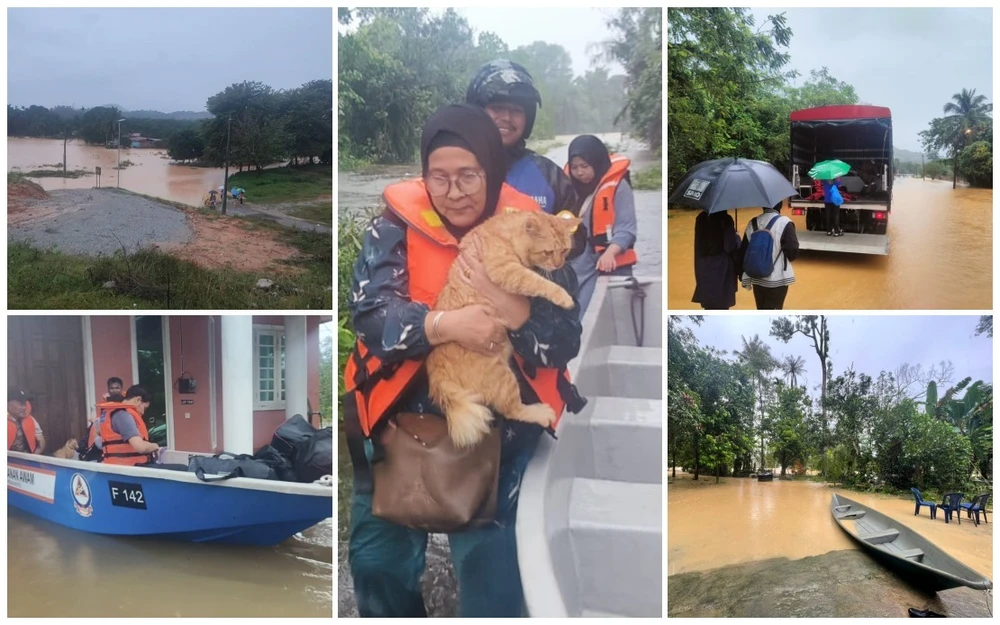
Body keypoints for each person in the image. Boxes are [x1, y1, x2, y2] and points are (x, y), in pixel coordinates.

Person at [344, 104, 583, 618]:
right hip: (394, 423)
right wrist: (444, 325)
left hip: (496, 430)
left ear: (492, 172)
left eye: (469, 176)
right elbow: (368, 315)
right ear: (423, 175)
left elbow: (565, 340)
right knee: (377, 566)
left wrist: (516, 314)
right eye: (439, 177)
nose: (454, 192)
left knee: (492, 577)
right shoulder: (392, 227)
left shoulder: (536, 231)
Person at [465, 60, 577, 217]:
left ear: (528, 119)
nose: (507, 117)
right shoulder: (451, 171)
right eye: (497, 108)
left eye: (516, 111)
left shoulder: (552, 178)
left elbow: (575, 236)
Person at [564, 135, 638, 316]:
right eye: (574, 167)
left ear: (597, 163)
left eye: (585, 166)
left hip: (608, 264)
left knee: (593, 314)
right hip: (578, 265)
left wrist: (610, 253)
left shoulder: (619, 187)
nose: (580, 173)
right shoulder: (566, 186)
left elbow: (627, 228)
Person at [739, 202, 799, 310]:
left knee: (761, 309)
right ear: (780, 206)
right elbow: (792, 251)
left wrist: (741, 273)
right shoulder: (785, 223)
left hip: (756, 278)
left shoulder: (752, 223)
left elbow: (743, 251)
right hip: (777, 280)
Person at [86, 385, 159, 466]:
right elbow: (140, 447)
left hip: (113, 466)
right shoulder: (124, 416)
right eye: (144, 408)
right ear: (138, 400)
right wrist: (155, 446)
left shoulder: (109, 413)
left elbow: (98, 434)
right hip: (129, 469)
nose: (143, 412)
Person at [692, 211, 742, 310]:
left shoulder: (701, 218)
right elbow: (729, 246)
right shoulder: (725, 219)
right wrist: (736, 237)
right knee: (722, 306)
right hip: (722, 270)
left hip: (703, 268)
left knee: (709, 306)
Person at [7, 389, 45, 454]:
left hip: (27, 458)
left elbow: (41, 442)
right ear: (8, 405)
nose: (24, 407)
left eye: (24, 403)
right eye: (20, 404)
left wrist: (33, 458)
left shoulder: (30, 419)